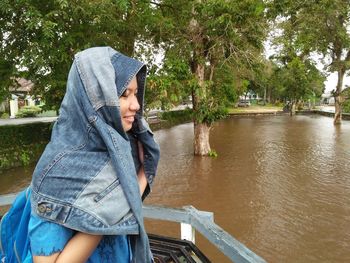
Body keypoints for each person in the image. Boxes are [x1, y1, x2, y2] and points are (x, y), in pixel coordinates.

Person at [27, 47, 160, 262]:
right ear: (96, 100)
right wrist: (104, 213)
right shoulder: (57, 171)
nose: (136, 105)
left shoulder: (121, 151)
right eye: (124, 95)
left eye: (136, 94)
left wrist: (144, 171)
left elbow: (127, 207)